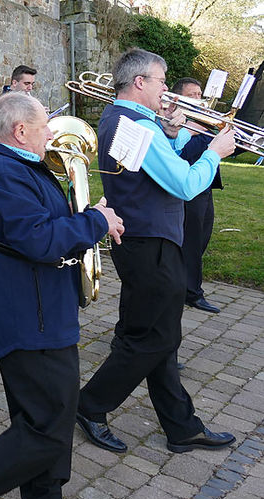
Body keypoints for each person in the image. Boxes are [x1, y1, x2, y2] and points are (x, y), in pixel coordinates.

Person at [0, 92, 124, 499]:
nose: (52, 133)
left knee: (40, 422)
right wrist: (96, 222)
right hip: (29, 319)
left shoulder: (10, 166)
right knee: (50, 428)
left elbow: (42, 226)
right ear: (20, 131)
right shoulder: (3, 174)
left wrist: (92, 213)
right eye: (44, 126)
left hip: (35, 311)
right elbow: (39, 239)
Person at [76, 48, 236, 456]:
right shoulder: (132, 123)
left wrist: (170, 133)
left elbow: (138, 172)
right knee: (155, 338)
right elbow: (183, 185)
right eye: (162, 81)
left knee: (154, 336)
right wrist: (213, 153)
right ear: (140, 83)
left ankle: (181, 426)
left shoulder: (126, 120)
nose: (169, 89)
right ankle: (89, 405)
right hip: (150, 244)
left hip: (144, 241)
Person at [170, 77, 221, 314]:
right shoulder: (175, 123)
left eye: (200, 94)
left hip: (205, 185)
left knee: (201, 238)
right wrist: (198, 135)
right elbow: (182, 154)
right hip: (189, 186)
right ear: (179, 97)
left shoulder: (206, 120)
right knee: (190, 241)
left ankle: (184, 284)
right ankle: (192, 292)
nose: (198, 99)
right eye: (193, 94)